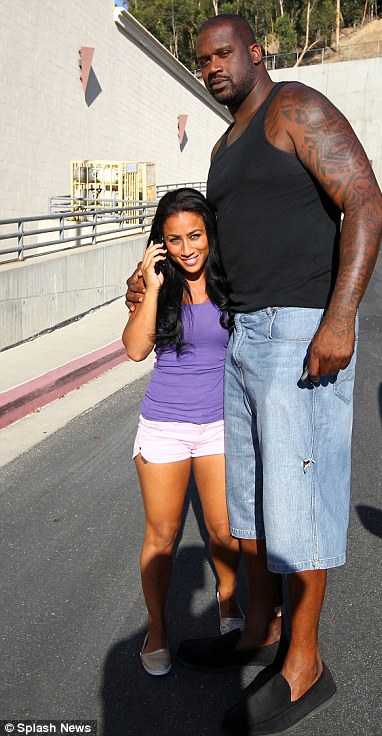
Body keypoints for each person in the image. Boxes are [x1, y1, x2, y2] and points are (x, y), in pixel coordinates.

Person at [126, 14, 382, 733]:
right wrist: (156, 290)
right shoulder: (222, 146)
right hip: (246, 339)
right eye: (200, 59)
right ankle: (258, 632)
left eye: (221, 53)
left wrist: (340, 318)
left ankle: (304, 664)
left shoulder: (294, 107)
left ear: (254, 52)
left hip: (302, 329)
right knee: (253, 509)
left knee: (299, 500)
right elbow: (220, 248)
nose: (210, 67)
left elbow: (364, 200)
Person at [122, 188, 245, 677]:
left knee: (223, 530)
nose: (187, 248)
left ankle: (228, 597)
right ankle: (157, 627)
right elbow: (134, 350)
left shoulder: (231, 280)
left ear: (210, 235)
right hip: (164, 427)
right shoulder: (155, 284)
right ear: (161, 242)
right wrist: (150, 286)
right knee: (163, 535)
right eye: (174, 239)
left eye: (195, 235)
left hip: (219, 424)